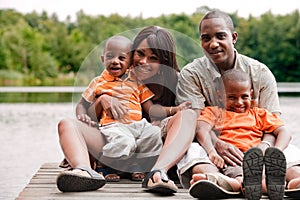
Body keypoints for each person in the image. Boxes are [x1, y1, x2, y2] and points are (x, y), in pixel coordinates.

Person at [56, 26, 197, 194]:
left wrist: (175, 111)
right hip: (113, 137)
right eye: (140, 54)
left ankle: (158, 173)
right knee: (66, 124)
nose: (144, 61)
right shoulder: (108, 79)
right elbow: (89, 117)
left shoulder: (177, 82)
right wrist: (102, 101)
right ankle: (83, 171)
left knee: (188, 114)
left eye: (153, 58)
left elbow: (160, 112)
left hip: (149, 143)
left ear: (163, 62)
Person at [175, 9, 300, 198]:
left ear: (233, 37)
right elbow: (195, 124)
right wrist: (216, 146)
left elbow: (275, 127)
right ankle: (216, 181)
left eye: (220, 36)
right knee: (191, 149)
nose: (213, 44)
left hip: (258, 145)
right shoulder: (191, 74)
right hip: (214, 143)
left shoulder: (260, 73)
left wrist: (265, 149)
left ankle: (291, 181)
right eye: (206, 38)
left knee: (288, 152)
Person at [189, 69, 290, 199]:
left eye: (244, 96)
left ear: (251, 94)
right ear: (219, 96)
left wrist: (276, 151)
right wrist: (212, 151)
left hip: (257, 160)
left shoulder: (259, 114)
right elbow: (201, 129)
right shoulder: (215, 112)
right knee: (239, 174)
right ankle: (248, 186)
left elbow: (284, 131)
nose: (239, 102)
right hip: (231, 159)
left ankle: (268, 186)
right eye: (231, 97)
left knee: (260, 174)